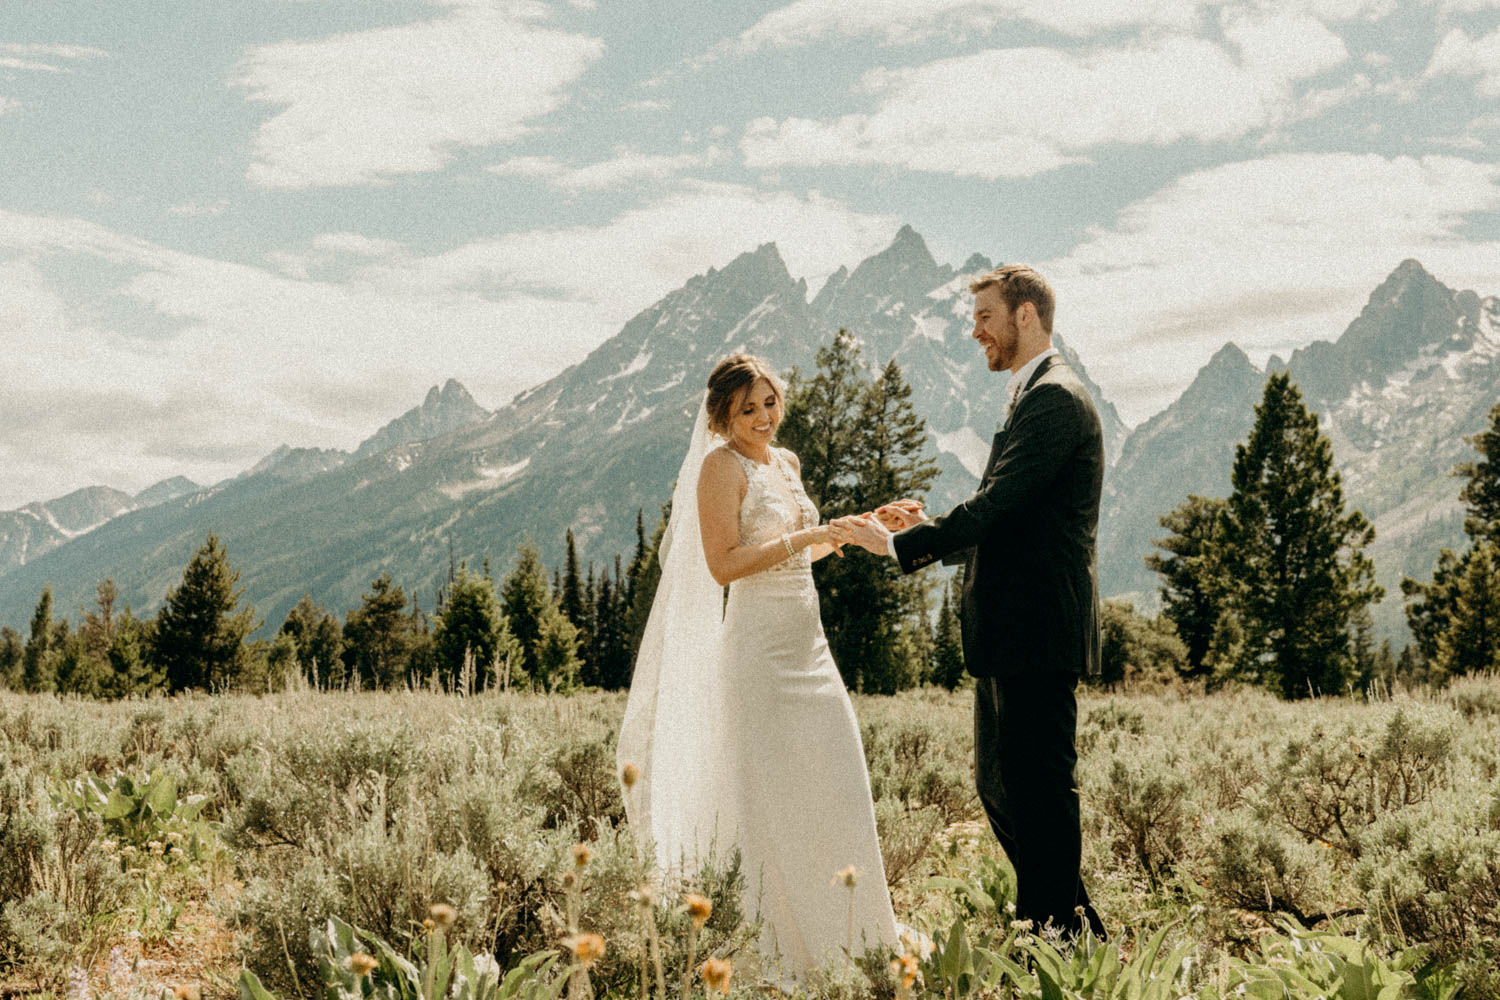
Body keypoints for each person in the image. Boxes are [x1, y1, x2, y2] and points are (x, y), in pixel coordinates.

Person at [833, 263, 1108, 940]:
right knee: (1004, 788)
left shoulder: (1055, 398)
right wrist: (922, 531)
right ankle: (1073, 931)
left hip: (1036, 630)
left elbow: (997, 505)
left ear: (1025, 316)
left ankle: (1055, 935)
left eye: (985, 317)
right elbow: (1007, 520)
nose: (975, 331)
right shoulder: (1031, 394)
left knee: (1038, 791)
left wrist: (899, 547)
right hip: (1011, 631)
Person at [617, 354, 900, 984]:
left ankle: (858, 936)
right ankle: (781, 945)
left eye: (769, 402)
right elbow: (724, 564)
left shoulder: (788, 463)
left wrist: (867, 528)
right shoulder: (720, 467)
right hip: (758, 652)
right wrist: (805, 538)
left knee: (837, 782)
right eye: (748, 409)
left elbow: (811, 547)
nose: (764, 417)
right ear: (723, 415)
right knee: (774, 798)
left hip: (810, 647)